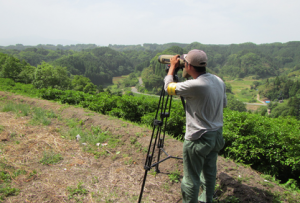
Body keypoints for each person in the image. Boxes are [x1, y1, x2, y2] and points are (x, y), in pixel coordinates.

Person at [164, 49, 227, 203]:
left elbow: (169, 88)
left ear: (189, 66)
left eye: (184, 63)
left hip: (199, 138)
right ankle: (206, 199)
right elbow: (223, 104)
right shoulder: (218, 80)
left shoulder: (195, 85)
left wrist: (172, 68)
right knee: (209, 172)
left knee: (191, 178)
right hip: (216, 135)